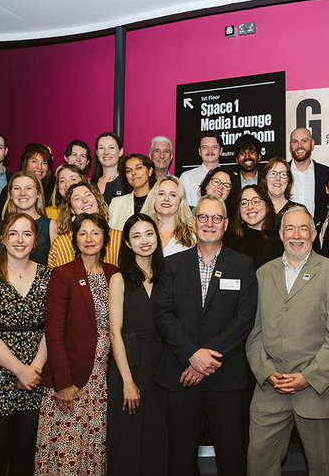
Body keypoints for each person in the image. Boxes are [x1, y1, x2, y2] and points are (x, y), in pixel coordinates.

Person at [154, 194, 258, 476]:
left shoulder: (243, 265)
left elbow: (244, 318)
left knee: (231, 458)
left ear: (225, 223)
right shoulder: (173, 264)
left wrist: (205, 360)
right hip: (181, 376)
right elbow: (163, 314)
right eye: (203, 217)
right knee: (180, 459)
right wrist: (191, 355)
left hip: (226, 378)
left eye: (216, 218)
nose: (209, 223)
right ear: (193, 221)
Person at [246, 205, 329, 476]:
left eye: (303, 229)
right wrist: (267, 372)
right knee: (258, 466)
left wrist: (308, 377)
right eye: (290, 229)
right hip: (270, 391)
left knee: (322, 469)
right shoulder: (262, 274)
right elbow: (253, 334)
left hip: (318, 391)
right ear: (281, 234)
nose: (296, 235)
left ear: (314, 235)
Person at [0, 213, 52, 476]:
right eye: (13, 233)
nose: (20, 239)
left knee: (25, 456)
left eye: (27, 234)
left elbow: (52, 328)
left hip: (35, 374)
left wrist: (33, 369)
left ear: (35, 240)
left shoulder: (50, 277)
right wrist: (20, 370)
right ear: (2, 239)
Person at [35, 213, 119, 474]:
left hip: (103, 380)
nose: (89, 238)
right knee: (67, 452)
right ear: (75, 239)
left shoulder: (114, 274)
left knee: (94, 449)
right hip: (72, 379)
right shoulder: (63, 274)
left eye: (95, 232)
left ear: (105, 238)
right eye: (82, 233)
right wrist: (62, 383)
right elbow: (54, 332)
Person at [106, 214, 167, 475]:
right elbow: (115, 333)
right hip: (129, 363)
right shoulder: (119, 279)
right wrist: (128, 381)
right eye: (136, 236)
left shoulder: (168, 275)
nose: (144, 241)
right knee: (128, 436)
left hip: (162, 364)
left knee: (158, 433)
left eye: (149, 234)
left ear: (157, 238)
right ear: (128, 244)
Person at [0, 172, 57, 266]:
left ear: (38, 193)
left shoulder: (52, 228)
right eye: (17, 188)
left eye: (28, 188)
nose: (22, 193)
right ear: (10, 194)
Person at [48, 182, 122, 267]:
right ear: (71, 209)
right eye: (77, 199)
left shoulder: (118, 238)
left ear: (97, 200)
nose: (85, 200)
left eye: (88, 195)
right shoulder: (60, 244)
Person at [223, 184, 283, 268]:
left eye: (256, 201)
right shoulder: (229, 239)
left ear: (267, 204)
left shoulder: (281, 237)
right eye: (244, 203)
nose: (250, 207)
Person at [0, 143, 55, 217]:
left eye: (44, 163)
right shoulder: (10, 189)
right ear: (25, 164)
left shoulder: (54, 190)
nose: (39, 167)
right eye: (34, 161)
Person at [140, 175, 196, 257]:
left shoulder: (192, 235)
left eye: (173, 195)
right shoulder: (140, 231)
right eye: (161, 194)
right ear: (153, 198)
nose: (166, 199)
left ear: (180, 201)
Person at [288, 127, 329, 221]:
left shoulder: (326, 173)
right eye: (295, 142)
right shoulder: (281, 173)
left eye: (304, 141)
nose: (299, 146)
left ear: (312, 144)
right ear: (290, 145)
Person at [108, 154, 156, 231]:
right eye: (129, 171)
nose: (133, 173)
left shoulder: (159, 202)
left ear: (150, 171)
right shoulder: (116, 204)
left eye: (138, 168)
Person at [180, 131, 223, 206]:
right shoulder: (187, 178)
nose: (210, 151)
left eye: (214, 147)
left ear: (221, 151)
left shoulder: (231, 177)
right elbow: (184, 209)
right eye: (205, 147)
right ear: (199, 151)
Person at [259, 156, 299, 224]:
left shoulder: (298, 211)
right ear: (265, 179)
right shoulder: (256, 209)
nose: (278, 179)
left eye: (283, 174)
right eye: (273, 173)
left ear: (288, 181)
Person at [91, 131, 127, 205]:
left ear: (120, 151)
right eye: (101, 148)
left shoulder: (127, 183)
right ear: (97, 153)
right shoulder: (89, 185)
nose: (106, 152)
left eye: (111, 148)